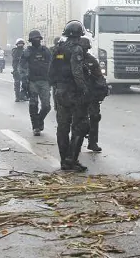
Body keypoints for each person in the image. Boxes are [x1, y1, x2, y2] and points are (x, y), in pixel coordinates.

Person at [49, 20, 90, 172]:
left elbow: (51, 70)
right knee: (80, 126)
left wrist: (55, 86)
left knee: (63, 126)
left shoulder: (58, 48)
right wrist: (84, 89)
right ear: (80, 35)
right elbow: (77, 72)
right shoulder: (77, 49)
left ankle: (64, 161)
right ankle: (71, 159)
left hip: (60, 91)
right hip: (73, 92)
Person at [19, 30, 52, 136]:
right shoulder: (27, 52)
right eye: (35, 39)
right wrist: (24, 80)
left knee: (46, 106)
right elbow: (22, 67)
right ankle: (36, 127)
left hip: (45, 81)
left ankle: (39, 120)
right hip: (32, 81)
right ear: (31, 40)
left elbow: (52, 64)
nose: (37, 40)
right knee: (33, 105)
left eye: (38, 39)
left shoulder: (46, 51)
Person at [79, 34, 109, 152]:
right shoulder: (74, 59)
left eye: (86, 48)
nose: (84, 50)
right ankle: (76, 142)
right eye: (83, 48)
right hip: (78, 95)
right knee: (80, 120)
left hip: (91, 94)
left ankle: (93, 142)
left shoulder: (92, 60)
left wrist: (103, 87)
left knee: (95, 117)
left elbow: (99, 76)